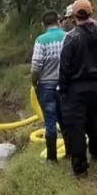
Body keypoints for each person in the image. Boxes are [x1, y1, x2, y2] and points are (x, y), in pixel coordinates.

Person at [59, 0, 97, 177]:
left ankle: (80, 167)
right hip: (95, 87)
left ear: (73, 16)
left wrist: (63, 90)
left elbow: (64, 67)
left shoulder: (71, 38)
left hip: (75, 88)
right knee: (92, 121)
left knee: (76, 127)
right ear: (91, 13)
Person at [31, 10, 68, 163]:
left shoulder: (41, 40)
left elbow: (36, 65)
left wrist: (34, 82)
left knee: (50, 121)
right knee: (65, 119)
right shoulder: (68, 36)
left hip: (46, 86)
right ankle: (70, 152)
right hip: (66, 85)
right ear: (59, 22)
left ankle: (51, 158)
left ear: (43, 24)